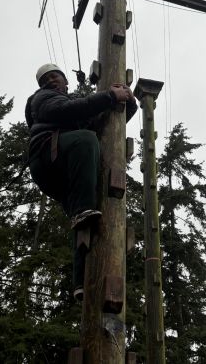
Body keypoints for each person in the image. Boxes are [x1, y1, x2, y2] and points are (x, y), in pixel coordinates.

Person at [25, 63, 137, 300]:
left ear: (65, 81)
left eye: (55, 76)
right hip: (48, 156)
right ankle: (82, 211)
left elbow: (103, 125)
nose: (51, 81)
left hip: (63, 166)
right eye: (46, 80)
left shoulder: (70, 111)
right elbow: (66, 111)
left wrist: (128, 102)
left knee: (85, 219)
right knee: (86, 140)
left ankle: (82, 282)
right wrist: (108, 96)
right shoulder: (43, 99)